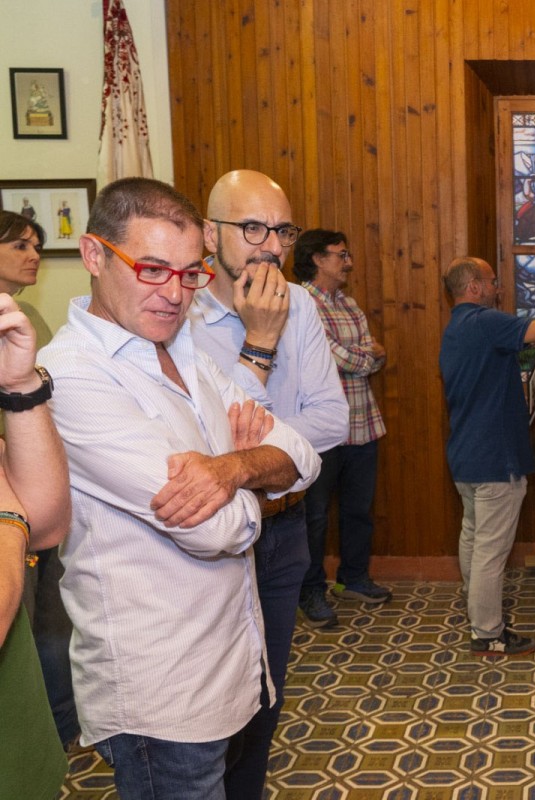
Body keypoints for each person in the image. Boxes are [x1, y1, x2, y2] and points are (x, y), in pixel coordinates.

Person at [38, 177, 319, 799]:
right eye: (153, 268)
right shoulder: (72, 378)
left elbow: (302, 457)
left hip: (228, 666)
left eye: (190, 274)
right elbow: (211, 529)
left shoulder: (181, 346)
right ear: (93, 255)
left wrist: (231, 468)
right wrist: (252, 468)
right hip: (160, 695)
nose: (174, 293)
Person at [190, 169, 348, 797]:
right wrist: (258, 346)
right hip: (204, 542)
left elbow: (331, 418)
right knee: (205, 713)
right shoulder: (178, 309)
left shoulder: (300, 302)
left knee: (262, 704)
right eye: (251, 227)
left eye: (282, 230)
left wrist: (251, 451)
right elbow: (202, 445)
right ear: (209, 233)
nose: (269, 246)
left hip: (282, 534)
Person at [439, 256, 535, 656]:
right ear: (474, 287)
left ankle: (477, 608)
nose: (498, 287)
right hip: (495, 457)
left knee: (472, 536)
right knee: (490, 549)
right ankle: (487, 633)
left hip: (466, 454)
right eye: (492, 281)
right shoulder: (484, 322)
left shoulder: (456, 329)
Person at [0, 211, 76, 747]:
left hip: (36, 488)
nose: (34, 255)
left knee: (50, 619)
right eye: (19, 245)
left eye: (37, 245)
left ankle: (61, 730)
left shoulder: (29, 320)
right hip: (13, 500)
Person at [294, 229, 391, 628]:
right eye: (341, 255)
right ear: (318, 259)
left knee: (358, 510)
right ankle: (311, 590)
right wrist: (366, 356)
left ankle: (354, 578)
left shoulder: (348, 304)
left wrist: (363, 356)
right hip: (320, 432)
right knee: (313, 517)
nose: (348, 262)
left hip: (362, 422)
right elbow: (337, 357)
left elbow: (369, 353)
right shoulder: (300, 303)